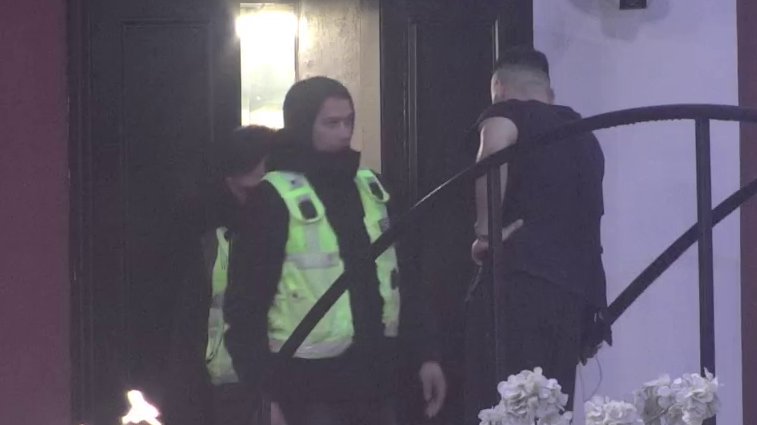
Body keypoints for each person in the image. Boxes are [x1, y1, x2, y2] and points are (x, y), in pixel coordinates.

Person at [224, 76, 447, 425]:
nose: (344, 133)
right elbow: (245, 308)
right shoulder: (272, 199)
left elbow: (408, 281)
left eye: (349, 121)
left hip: (381, 377)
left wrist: (427, 355)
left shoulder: (374, 188)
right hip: (306, 386)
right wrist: (263, 396)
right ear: (302, 124)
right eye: (332, 123)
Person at [468, 47, 610, 414]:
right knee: (552, 404)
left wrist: (486, 234)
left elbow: (492, 153)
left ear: (500, 89)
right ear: (549, 92)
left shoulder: (507, 114)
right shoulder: (582, 134)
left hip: (523, 282)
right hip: (576, 292)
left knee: (507, 401)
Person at [163, 125, 282, 425]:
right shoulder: (205, 238)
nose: (258, 202)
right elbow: (187, 327)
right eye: (249, 191)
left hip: (286, 375)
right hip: (227, 384)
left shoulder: (294, 229)